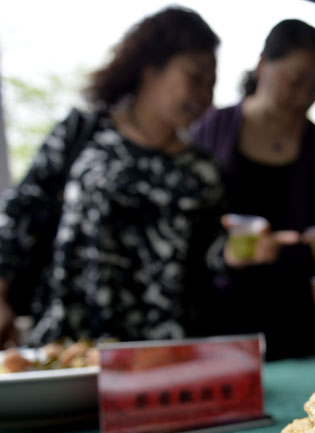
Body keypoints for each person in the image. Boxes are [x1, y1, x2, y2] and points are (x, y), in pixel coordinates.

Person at [0, 7, 224, 346]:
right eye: (195, 77)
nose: (204, 96)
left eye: (211, 84)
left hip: (164, 353)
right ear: (151, 67)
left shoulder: (203, 169)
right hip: (71, 343)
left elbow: (209, 257)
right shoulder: (82, 133)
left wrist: (237, 251)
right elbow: (23, 211)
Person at [192, 19, 315, 360]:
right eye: (296, 79)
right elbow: (188, 233)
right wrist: (229, 252)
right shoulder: (210, 130)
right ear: (263, 66)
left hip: (301, 321)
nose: (305, 94)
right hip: (222, 318)